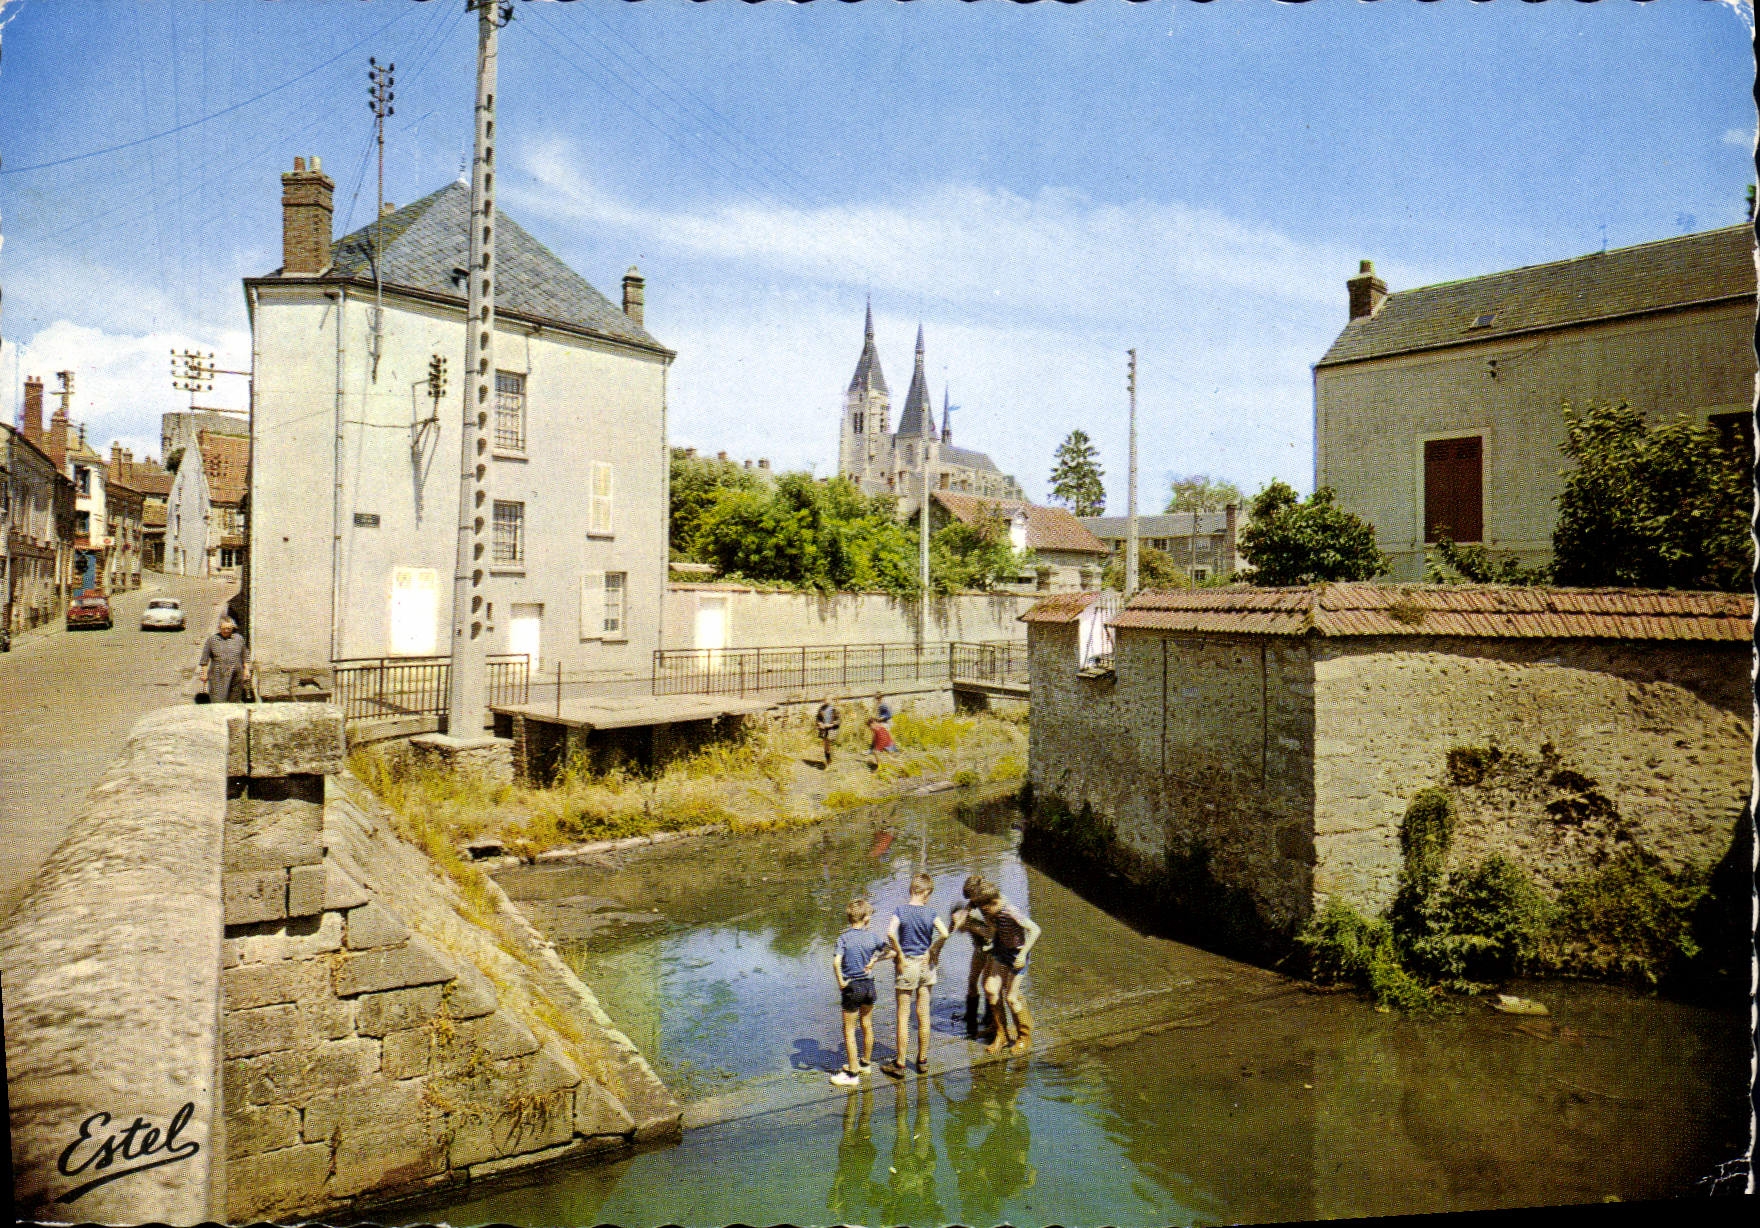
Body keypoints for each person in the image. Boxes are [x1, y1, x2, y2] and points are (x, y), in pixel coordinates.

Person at [880, 873, 950, 1078]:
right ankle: (922, 1060)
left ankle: (900, 1064)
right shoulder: (931, 913)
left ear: (912, 889)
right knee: (923, 1013)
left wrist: (899, 955)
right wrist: (933, 950)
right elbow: (944, 933)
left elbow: (891, 933)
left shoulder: (901, 911)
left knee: (903, 1015)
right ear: (926, 893)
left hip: (908, 964)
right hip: (926, 964)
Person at [973, 883, 1040, 1054]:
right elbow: (996, 928)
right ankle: (1001, 1035)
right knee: (990, 988)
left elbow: (1035, 930)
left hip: (1017, 955)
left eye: (986, 910)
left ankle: (1024, 1037)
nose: (984, 913)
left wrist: (1023, 954)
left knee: (1011, 997)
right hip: (1001, 951)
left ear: (994, 903)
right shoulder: (992, 911)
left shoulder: (1010, 911)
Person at [830, 897, 886, 1086]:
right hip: (869, 986)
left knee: (849, 1031)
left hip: (852, 986)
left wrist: (841, 982)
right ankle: (865, 1063)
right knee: (867, 1024)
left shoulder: (844, 938)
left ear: (849, 918)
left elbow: (836, 962)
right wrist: (874, 960)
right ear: (866, 918)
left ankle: (852, 1074)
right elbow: (891, 951)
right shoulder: (872, 937)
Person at [950, 874, 999, 1041]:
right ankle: (971, 1016)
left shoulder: (987, 907)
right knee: (972, 981)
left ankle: (990, 1018)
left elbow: (993, 933)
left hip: (992, 948)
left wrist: (972, 926)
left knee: (987, 984)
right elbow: (957, 922)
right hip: (980, 948)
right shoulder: (971, 908)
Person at [198, 615, 251, 703]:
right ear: (219, 628)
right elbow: (204, 660)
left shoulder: (239, 639)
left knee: (234, 701)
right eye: (224, 628)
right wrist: (204, 673)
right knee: (218, 701)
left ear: (233, 628)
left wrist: (246, 670)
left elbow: (245, 656)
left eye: (229, 628)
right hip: (217, 676)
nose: (226, 631)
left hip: (236, 675)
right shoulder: (212, 640)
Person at [815, 697, 841, 766]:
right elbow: (818, 718)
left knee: (829, 744)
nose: (826, 701)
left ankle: (831, 760)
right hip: (824, 729)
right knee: (826, 746)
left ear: (831, 700)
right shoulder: (821, 709)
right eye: (825, 699)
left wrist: (829, 725)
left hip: (832, 729)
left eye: (828, 699)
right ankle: (828, 761)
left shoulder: (834, 709)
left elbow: (838, 720)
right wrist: (819, 723)